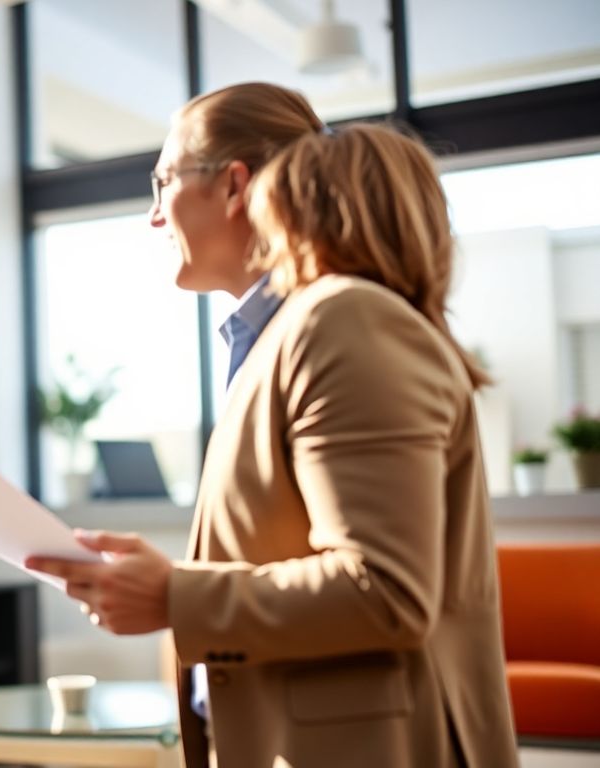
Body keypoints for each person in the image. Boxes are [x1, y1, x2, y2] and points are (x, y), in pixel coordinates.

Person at [27, 88, 516, 767]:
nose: (152, 215)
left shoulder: (342, 321)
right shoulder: (281, 336)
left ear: (233, 186)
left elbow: (386, 589)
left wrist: (173, 595)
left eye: (163, 181)